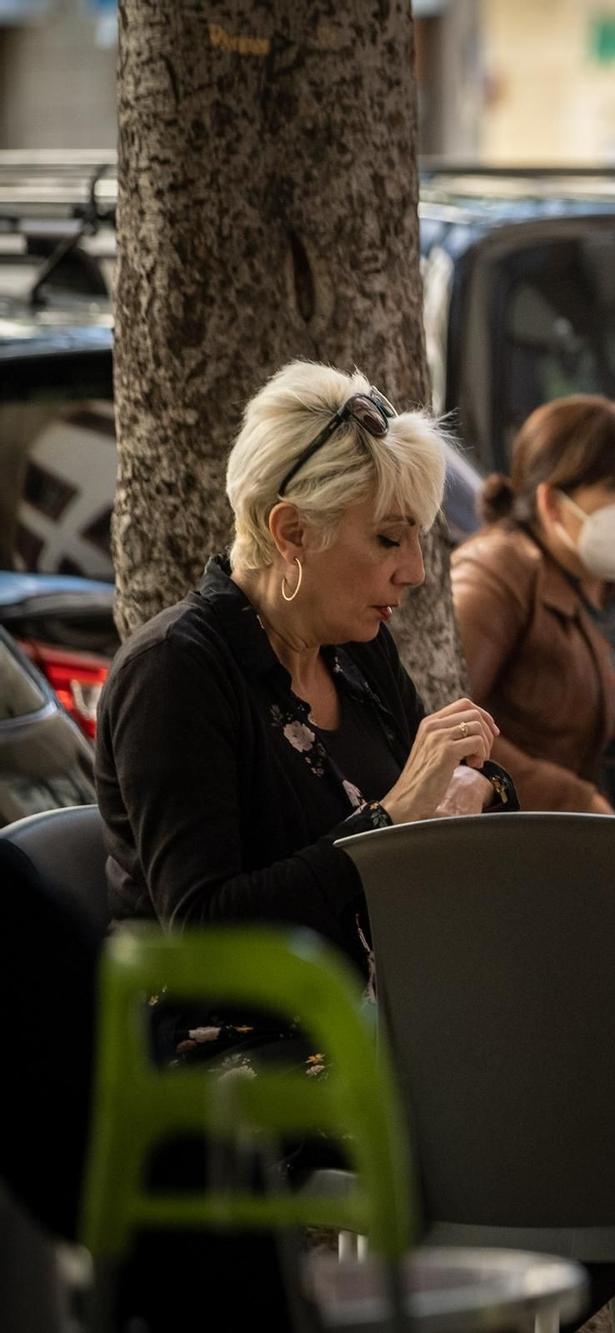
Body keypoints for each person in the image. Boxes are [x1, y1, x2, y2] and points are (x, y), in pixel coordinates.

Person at [92, 361, 509, 1327]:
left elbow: (430, 814)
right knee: (521, 1114)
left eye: (417, 538)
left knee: (598, 1081)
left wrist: (468, 799)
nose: (413, 570)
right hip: (234, 1059)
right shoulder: (176, 676)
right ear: (290, 533)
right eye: (389, 539)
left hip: (373, 1028)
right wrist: (392, 822)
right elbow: (202, 927)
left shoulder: (357, 655)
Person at [451, 394, 615, 813]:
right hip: (574, 852)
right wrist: (574, 801)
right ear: (552, 502)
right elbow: (447, 713)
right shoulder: (499, 569)